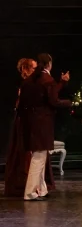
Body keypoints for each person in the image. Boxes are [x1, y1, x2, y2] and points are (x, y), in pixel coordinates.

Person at [17, 54, 70, 201]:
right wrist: (69, 103)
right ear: (49, 64)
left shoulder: (30, 80)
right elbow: (53, 101)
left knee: (40, 155)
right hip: (42, 123)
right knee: (39, 157)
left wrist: (61, 83)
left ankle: (41, 189)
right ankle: (30, 192)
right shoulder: (46, 79)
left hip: (31, 122)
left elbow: (23, 104)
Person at [4, 58, 40, 198]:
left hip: (27, 120)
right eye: (33, 68)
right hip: (23, 122)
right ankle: (22, 185)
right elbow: (20, 106)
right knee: (22, 153)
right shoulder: (25, 85)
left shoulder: (31, 84)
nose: (36, 70)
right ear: (26, 69)